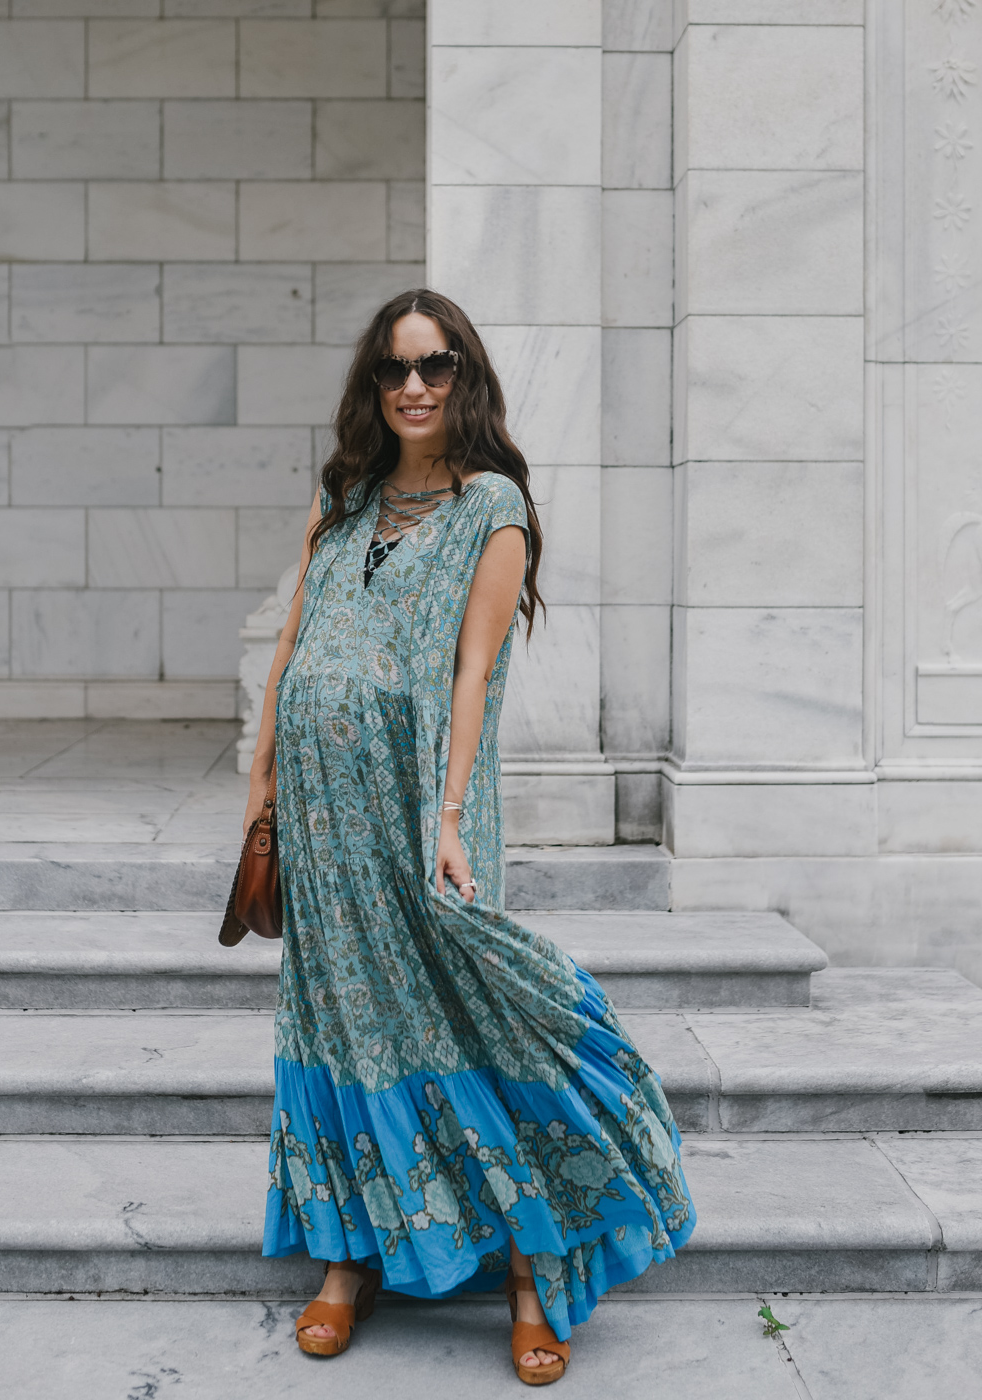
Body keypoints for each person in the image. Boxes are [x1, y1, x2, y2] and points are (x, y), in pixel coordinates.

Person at [243, 289, 695, 1384]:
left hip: (418, 811)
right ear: (370, 384)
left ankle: (535, 1271)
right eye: (394, 369)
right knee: (341, 1019)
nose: (413, 386)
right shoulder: (342, 496)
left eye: (435, 365)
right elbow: (294, 639)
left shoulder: (491, 505)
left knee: (473, 1014)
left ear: (464, 379)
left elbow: (471, 673)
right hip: (318, 815)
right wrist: (259, 793)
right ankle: (345, 1263)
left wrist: (443, 822)